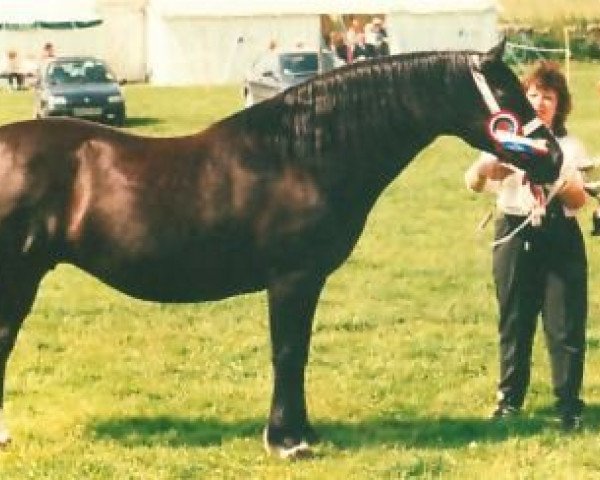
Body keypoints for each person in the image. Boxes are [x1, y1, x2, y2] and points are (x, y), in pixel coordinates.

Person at [464, 61, 589, 430]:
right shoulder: (505, 140)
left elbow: (579, 202)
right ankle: (509, 400)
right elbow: (471, 181)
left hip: (559, 234)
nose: (539, 102)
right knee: (514, 320)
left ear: (559, 104)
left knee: (564, 322)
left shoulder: (569, 146)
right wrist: (486, 171)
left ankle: (568, 405)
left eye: (548, 97)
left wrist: (559, 180)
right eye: (533, 94)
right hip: (514, 231)